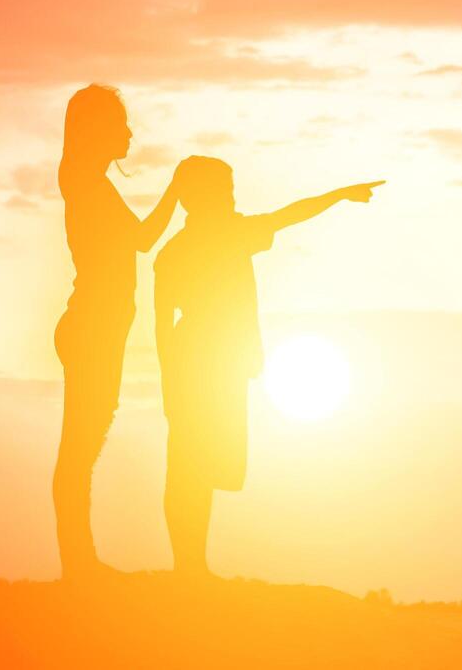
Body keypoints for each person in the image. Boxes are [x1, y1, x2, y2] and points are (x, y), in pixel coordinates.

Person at [154, 155, 382, 577]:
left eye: (231, 190)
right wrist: (339, 195)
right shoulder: (207, 242)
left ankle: (191, 565)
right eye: (224, 191)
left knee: (197, 464)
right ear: (200, 198)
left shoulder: (190, 246)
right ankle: (188, 566)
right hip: (204, 364)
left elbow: (289, 215)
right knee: (189, 465)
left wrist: (337, 196)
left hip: (214, 363)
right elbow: (161, 325)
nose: (231, 198)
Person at [52, 84, 183, 580]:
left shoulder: (93, 184)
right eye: (120, 123)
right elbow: (146, 240)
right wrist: (177, 187)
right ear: (96, 130)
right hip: (89, 328)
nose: (129, 132)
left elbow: (140, 241)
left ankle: (80, 560)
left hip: (98, 329)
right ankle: (77, 564)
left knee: (85, 444)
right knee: (78, 448)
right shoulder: (84, 181)